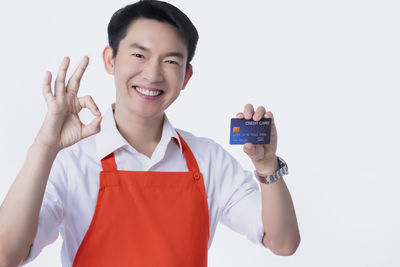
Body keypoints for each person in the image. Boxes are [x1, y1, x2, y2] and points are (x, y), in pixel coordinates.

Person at [0, 0, 300, 266]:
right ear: (110, 59)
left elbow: (283, 243)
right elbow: (6, 256)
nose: (153, 74)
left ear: (186, 77)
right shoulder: (70, 162)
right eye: (139, 55)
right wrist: (45, 145)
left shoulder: (209, 160)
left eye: (170, 61)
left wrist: (266, 167)